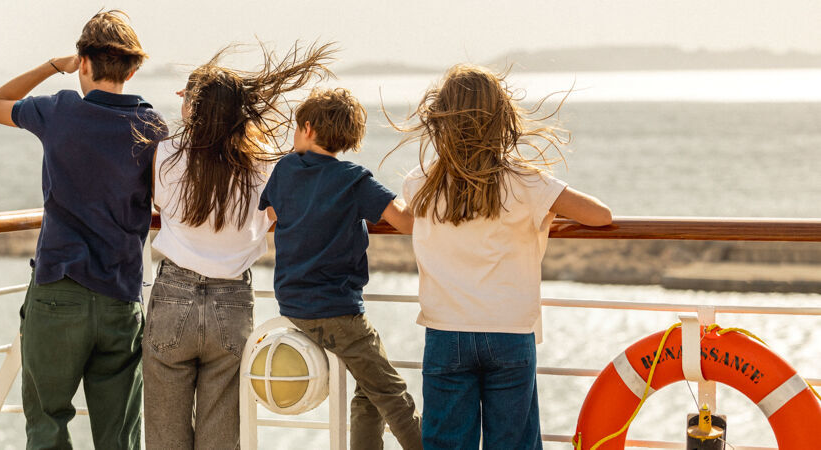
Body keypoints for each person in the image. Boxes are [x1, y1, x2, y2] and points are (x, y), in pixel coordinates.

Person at [395, 65, 612, 449]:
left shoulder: (420, 182)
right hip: (510, 331)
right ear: (501, 118)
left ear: (442, 117)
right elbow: (601, 216)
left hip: (446, 331)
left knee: (447, 442)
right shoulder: (527, 181)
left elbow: (410, 213)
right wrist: (546, 208)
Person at [0, 10, 166, 450]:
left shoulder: (58, 110)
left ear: (83, 62)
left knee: (47, 426)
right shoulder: (151, 125)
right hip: (120, 296)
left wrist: (50, 66)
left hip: (58, 291)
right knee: (120, 438)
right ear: (133, 69)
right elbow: (163, 199)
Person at [142, 42, 335, 450]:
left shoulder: (169, 154)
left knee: (163, 434)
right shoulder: (264, 163)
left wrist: (191, 108)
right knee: (221, 436)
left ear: (194, 108)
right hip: (231, 299)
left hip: (174, 292)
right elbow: (275, 214)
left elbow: (160, 202)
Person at [259, 87, 423, 449]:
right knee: (392, 393)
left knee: (369, 389)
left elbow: (272, 213)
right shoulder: (353, 179)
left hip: (294, 304)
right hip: (339, 313)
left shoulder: (285, 169)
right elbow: (405, 222)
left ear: (308, 128)